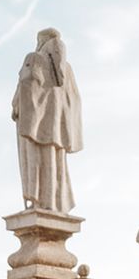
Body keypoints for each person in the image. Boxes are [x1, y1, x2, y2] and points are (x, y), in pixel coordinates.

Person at [11, 28, 83, 214]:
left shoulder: (35, 59)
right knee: (54, 164)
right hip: (57, 131)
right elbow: (74, 101)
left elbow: (27, 83)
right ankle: (54, 203)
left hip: (36, 126)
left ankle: (39, 201)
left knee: (37, 161)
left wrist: (16, 105)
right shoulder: (67, 69)